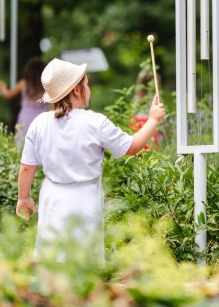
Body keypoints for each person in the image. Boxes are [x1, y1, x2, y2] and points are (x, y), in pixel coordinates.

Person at [14, 58, 165, 262]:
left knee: (52, 257)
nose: (89, 89)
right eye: (87, 84)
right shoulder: (95, 122)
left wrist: (24, 198)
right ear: (77, 90)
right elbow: (131, 147)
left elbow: (26, 168)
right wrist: (153, 119)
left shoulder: (39, 123)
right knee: (84, 261)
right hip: (84, 198)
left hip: (52, 197)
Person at [0, 56, 47, 146]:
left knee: (22, 144)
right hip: (41, 118)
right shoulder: (45, 87)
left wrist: (2, 87)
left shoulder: (24, 83)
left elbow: (8, 94)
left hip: (24, 118)